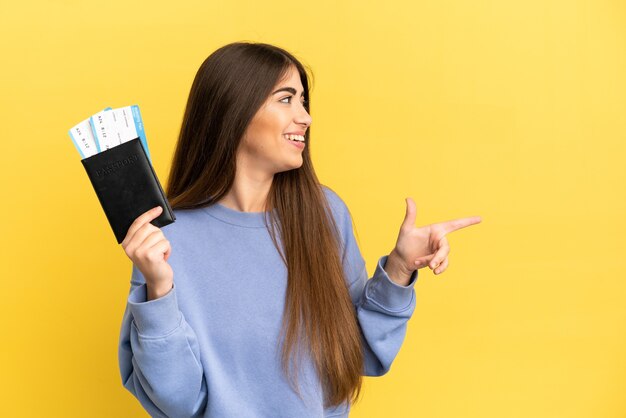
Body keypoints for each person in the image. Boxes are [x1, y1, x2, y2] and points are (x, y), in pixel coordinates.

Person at [118, 42, 482, 418]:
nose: (305, 117)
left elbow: (362, 356)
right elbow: (176, 400)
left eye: (304, 102)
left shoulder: (325, 216)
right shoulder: (166, 239)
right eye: (286, 99)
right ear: (235, 110)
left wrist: (400, 269)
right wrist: (158, 291)